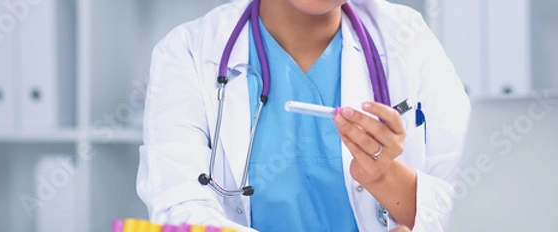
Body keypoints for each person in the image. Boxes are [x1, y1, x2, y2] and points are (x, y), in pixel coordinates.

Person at [136, 0, 471, 231]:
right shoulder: (190, 51)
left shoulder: (408, 40)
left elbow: (475, 207)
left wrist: (386, 178)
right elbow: (179, 213)